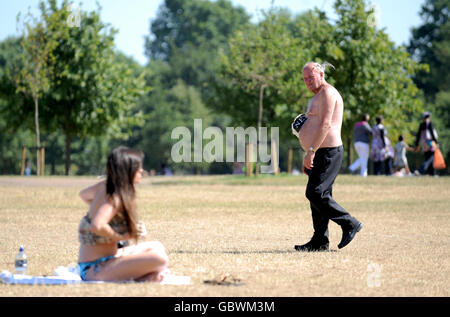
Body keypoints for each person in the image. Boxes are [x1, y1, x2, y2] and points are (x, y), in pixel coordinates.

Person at [294, 62, 363, 252]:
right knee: (320, 196)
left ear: (321, 74)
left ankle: (350, 223)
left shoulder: (327, 93)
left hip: (329, 151)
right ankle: (320, 241)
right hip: (320, 152)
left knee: (314, 193)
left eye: (311, 77)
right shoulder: (318, 95)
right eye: (305, 79)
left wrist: (311, 151)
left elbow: (325, 125)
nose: (307, 82)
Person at [77, 146, 168, 282]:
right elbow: (97, 225)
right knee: (160, 259)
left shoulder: (106, 185)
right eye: (138, 168)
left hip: (106, 260)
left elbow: (84, 195)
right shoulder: (116, 196)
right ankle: (143, 278)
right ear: (128, 171)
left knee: (157, 246)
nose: (142, 171)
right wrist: (120, 236)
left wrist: (102, 211)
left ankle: (145, 277)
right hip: (95, 269)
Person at [414, 112, 439, 176]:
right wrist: (436, 142)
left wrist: (416, 145)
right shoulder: (429, 123)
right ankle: (420, 169)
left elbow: (418, 135)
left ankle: (432, 173)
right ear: (429, 117)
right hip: (430, 142)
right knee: (431, 157)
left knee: (428, 156)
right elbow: (432, 134)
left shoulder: (421, 124)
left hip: (424, 143)